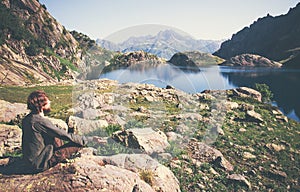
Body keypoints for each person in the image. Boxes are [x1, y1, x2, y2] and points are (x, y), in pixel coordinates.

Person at [21, 90, 105, 173]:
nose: (50, 102)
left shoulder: (27, 119)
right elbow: (65, 135)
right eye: (47, 101)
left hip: (30, 162)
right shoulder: (40, 121)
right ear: (41, 105)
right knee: (77, 144)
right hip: (40, 164)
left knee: (55, 137)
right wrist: (91, 139)